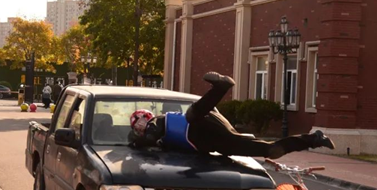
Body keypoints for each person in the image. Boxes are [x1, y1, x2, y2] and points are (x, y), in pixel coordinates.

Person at [129, 72, 335, 159]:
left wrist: (134, 141)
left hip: (203, 123)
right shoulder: (161, 140)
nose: (137, 125)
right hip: (213, 140)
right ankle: (314, 139)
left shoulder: (157, 122)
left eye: (138, 119)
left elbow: (149, 137)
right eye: (134, 125)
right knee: (269, 150)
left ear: (147, 116)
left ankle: (221, 86)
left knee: (192, 115)